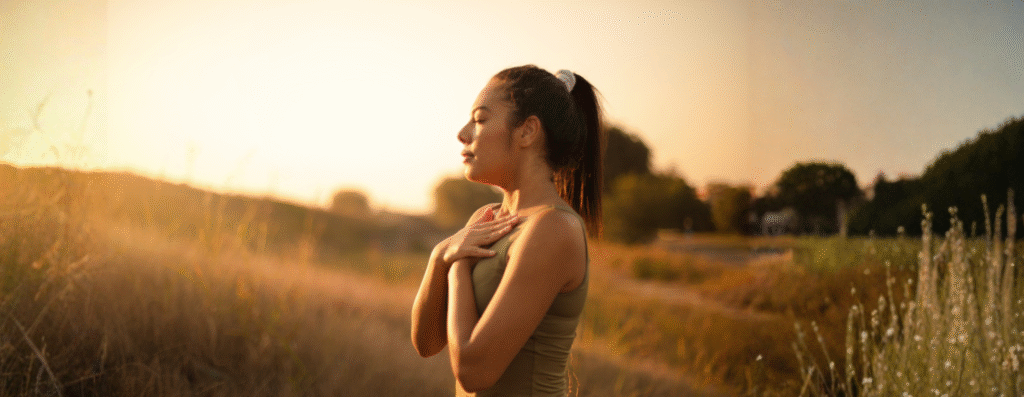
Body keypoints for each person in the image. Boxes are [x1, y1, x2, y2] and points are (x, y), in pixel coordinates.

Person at [411, 65, 604, 396]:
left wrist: (456, 264)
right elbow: (427, 344)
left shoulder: (553, 227)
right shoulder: (486, 218)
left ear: (527, 131)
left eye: (480, 119)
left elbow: (473, 371)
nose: (463, 133)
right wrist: (439, 256)